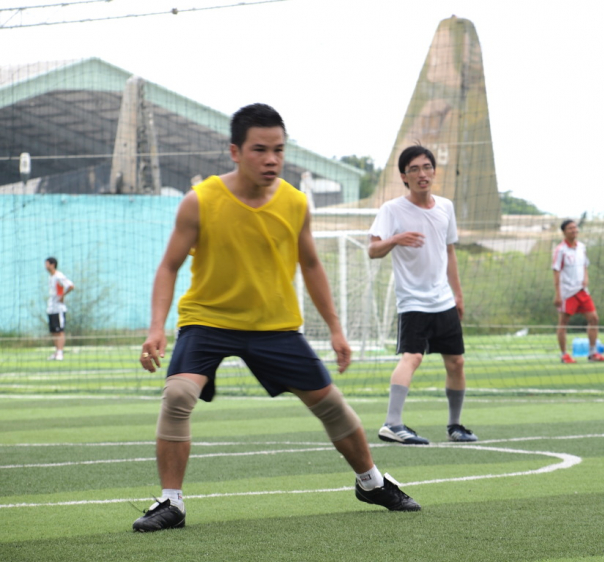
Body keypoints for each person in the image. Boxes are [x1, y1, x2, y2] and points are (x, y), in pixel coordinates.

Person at [133, 104, 420, 533]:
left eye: (279, 150)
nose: (271, 159)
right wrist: (156, 328)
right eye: (259, 150)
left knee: (332, 406)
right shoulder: (200, 201)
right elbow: (169, 266)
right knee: (177, 396)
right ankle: (170, 502)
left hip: (273, 326)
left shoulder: (295, 202)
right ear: (235, 151)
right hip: (208, 319)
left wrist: (337, 329)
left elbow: (312, 266)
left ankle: (372, 482)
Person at [367, 145, 477, 446]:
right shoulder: (392, 210)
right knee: (412, 357)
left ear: (434, 171)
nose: (421, 173)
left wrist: (458, 294)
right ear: (404, 176)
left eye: (426, 167)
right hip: (413, 301)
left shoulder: (445, 207)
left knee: (456, 362)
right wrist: (397, 238)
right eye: (413, 169)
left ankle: (455, 425)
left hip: (443, 300)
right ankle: (392, 423)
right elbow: (373, 250)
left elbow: (450, 251)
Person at [552, 220, 604, 364]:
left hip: (582, 290)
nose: (574, 230)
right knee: (563, 323)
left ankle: (592, 353)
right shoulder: (560, 250)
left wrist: (586, 278)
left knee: (594, 319)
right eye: (570, 228)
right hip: (567, 292)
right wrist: (558, 294)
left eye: (575, 227)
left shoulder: (582, 247)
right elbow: (556, 271)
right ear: (564, 231)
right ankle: (564, 354)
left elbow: (585, 265)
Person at [44, 257, 74, 361]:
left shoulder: (59, 276)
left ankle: (61, 352)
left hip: (59, 308)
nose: (45, 266)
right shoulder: (50, 277)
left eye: (47, 264)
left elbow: (70, 286)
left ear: (52, 265)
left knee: (60, 330)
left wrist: (62, 296)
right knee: (53, 331)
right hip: (51, 308)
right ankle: (56, 352)